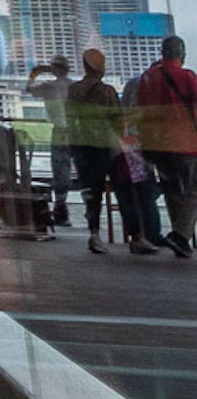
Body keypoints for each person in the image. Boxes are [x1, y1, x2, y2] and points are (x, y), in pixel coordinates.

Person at [64, 50, 146, 252]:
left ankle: (94, 234)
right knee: (124, 191)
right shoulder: (107, 92)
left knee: (92, 194)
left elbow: (69, 120)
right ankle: (136, 237)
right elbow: (118, 121)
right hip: (109, 147)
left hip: (84, 147)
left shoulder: (73, 90)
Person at [132, 34, 197, 256]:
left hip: (156, 146)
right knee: (192, 190)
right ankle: (179, 235)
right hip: (185, 143)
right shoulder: (187, 77)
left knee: (171, 190)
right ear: (182, 54)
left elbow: (141, 113)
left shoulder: (148, 78)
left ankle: (180, 241)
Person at [25, 57, 78, 226]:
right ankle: (65, 207)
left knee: (59, 170)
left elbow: (29, 89)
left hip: (58, 131)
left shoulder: (48, 86)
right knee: (73, 169)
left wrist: (34, 74)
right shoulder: (74, 86)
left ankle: (60, 208)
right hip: (75, 131)